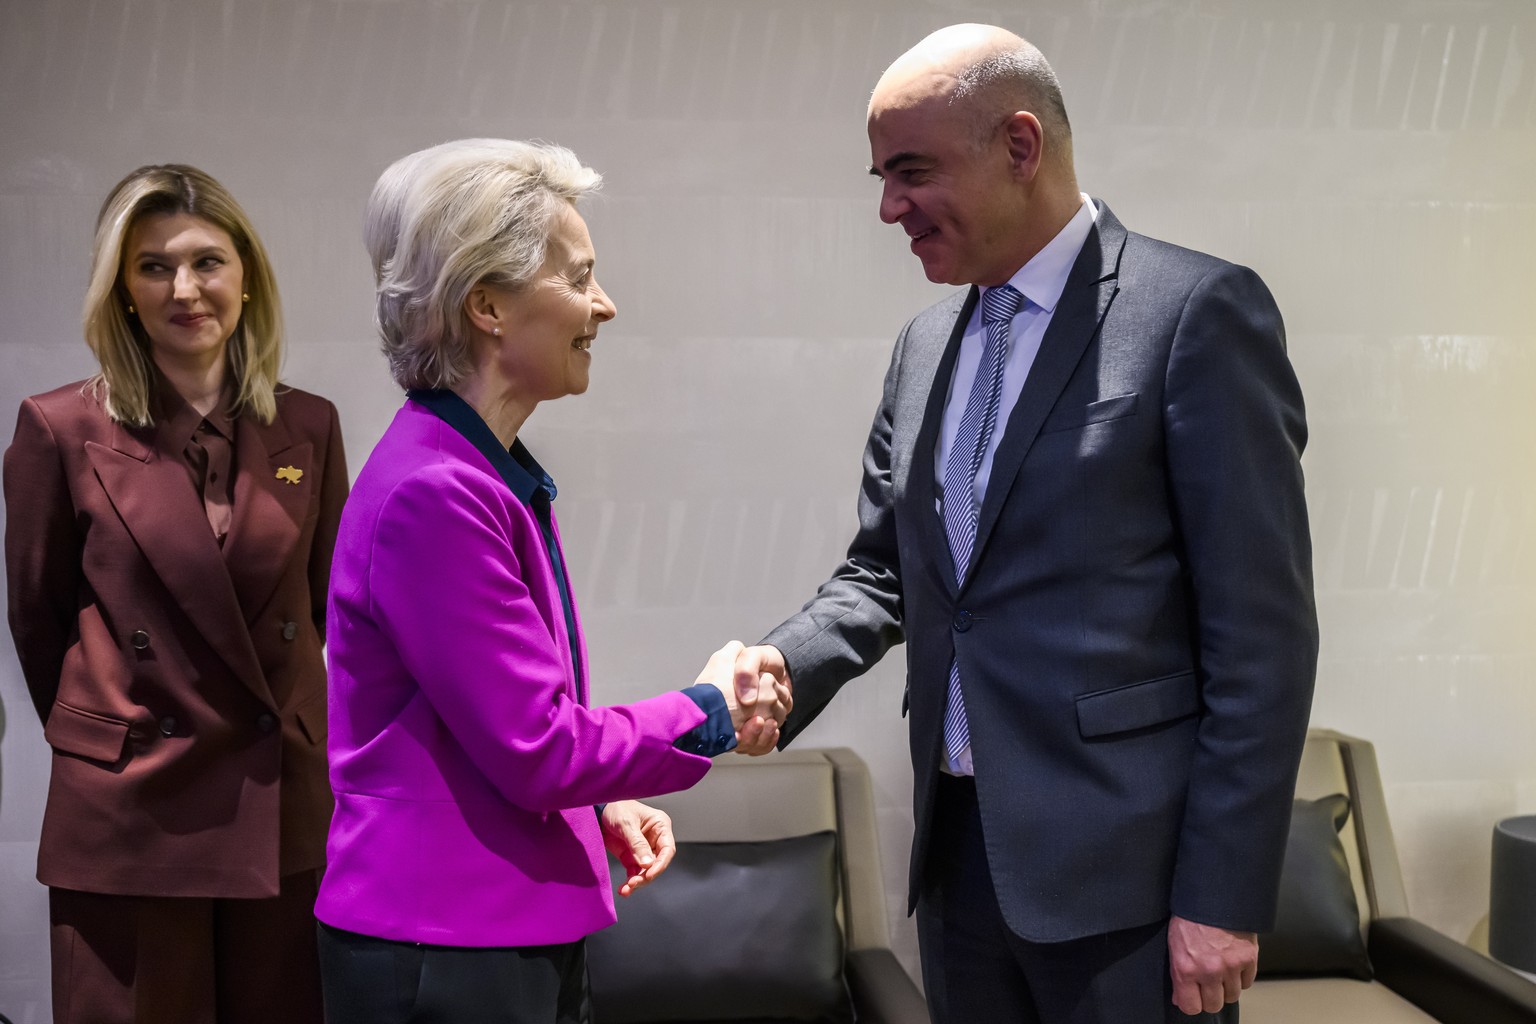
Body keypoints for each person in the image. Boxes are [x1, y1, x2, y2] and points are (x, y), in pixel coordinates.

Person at [732, 24, 1319, 1024]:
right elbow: (884, 572)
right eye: (881, 176)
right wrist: (783, 665)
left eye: (912, 171)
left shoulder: (1195, 315)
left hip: (1132, 894)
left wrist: (1221, 896)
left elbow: (1262, 638)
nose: (888, 208)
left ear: (1020, 145)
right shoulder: (924, 348)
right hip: (962, 873)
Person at [315, 139, 788, 1024]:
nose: (603, 306)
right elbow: (538, 748)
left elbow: (490, 730)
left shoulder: (469, 470)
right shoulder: (437, 491)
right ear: (487, 304)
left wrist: (596, 801)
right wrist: (708, 706)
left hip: (478, 935)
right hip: (446, 947)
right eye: (578, 278)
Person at [3, 164, 348, 1024]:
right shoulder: (60, 427)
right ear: (120, 289)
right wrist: (110, 733)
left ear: (246, 279)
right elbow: (38, 618)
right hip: (132, 807)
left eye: (207, 262)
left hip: (282, 803)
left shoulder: (310, 424)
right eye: (154, 266)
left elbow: (322, 609)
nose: (184, 288)